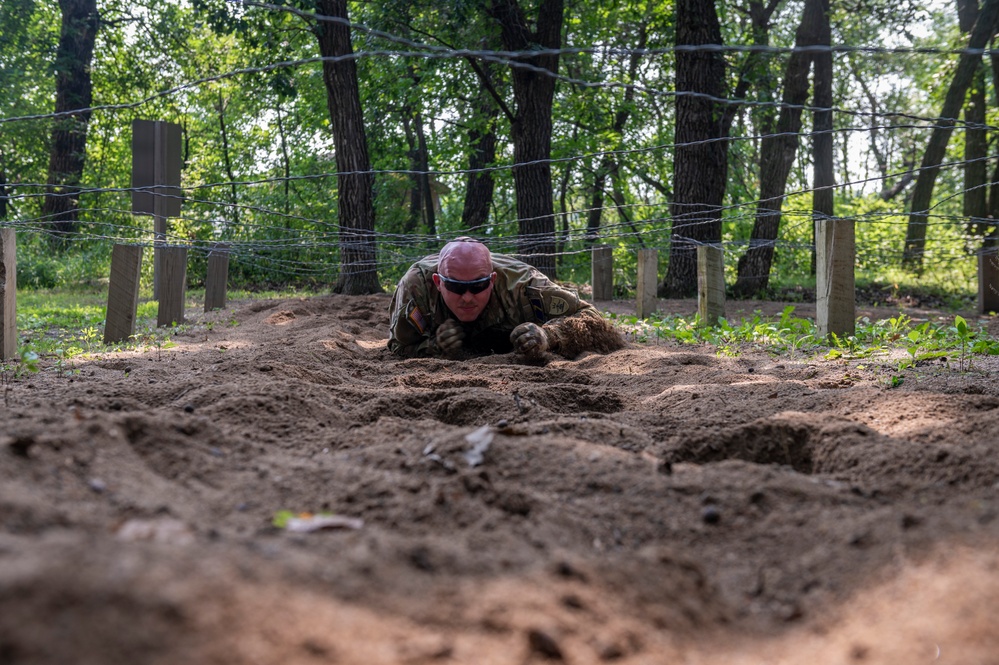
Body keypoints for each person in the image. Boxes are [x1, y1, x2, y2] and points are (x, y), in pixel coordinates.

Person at [388, 237, 624, 359]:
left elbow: (593, 319)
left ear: (492, 280)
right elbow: (397, 345)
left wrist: (548, 335)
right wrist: (434, 347)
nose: (468, 297)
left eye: (478, 286)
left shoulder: (523, 286)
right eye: (457, 287)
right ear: (439, 283)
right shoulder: (416, 285)